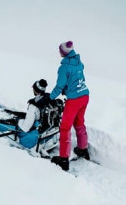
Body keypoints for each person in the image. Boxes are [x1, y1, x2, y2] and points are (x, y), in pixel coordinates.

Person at [49, 40, 90, 171]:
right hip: (85, 95)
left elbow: (60, 85)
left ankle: (63, 159)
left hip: (74, 100)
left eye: (60, 50)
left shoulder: (64, 67)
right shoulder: (79, 62)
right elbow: (76, 79)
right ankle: (83, 149)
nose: (59, 52)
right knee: (79, 122)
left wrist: (50, 97)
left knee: (65, 128)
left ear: (63, 52)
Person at [17, 78, 50, 148]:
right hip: (46, 127)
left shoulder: (33, 106)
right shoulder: (47, 98)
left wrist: (18, 121)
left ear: (37, 91)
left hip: (37, 130)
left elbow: (25, 128)